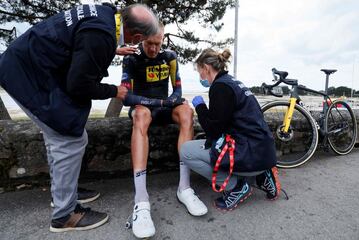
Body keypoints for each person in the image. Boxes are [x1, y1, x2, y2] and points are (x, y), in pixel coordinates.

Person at [0, 3, 159, 232]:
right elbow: (78, 85)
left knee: (62, 137)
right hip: (26, 76)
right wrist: (115, 91)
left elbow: (79, 40)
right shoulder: (101, 36)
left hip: (24, 64)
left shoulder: (105, 15)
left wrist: (112, 49)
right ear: (136, 36)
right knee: (68, 140)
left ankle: (66, 192)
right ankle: (65, 215)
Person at [121, 23, 208, 239]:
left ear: (162, 40)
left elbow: (177, 89)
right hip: (144, 108)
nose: (153, 49)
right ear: (142, 39)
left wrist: (170, 101)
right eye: (149, 44)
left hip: (163, 107)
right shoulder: (131, 58)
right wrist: (161, 101)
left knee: (187, 111)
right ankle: (141, 200)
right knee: (140, 115)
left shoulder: (169, 56)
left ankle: (184, 188)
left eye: (157, 44)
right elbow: (127, 97)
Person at [180, 48, 281, 211]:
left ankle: (236, 186)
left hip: (248, 153)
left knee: (186, 151)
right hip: (263, 151)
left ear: (206, 68)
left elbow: (213, 131)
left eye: (200, 73)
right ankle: (262, 174)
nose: (201, 78)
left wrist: (199, 106)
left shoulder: (220, 87)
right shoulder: (233, 82)